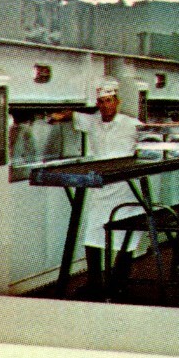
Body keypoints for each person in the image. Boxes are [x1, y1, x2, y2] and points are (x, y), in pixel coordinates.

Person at [50, 80, 142, 298]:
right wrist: (55, 116)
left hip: (125, 187)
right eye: (101, 102)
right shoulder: (92, 122)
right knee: (93, 233)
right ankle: (94, 283)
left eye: (109, 101)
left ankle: (120, 283)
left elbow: (151, 141)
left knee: (125, 235)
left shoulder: (132, 124)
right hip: (100, 188)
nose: (105, 106)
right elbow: (73, 115)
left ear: (117, 102)